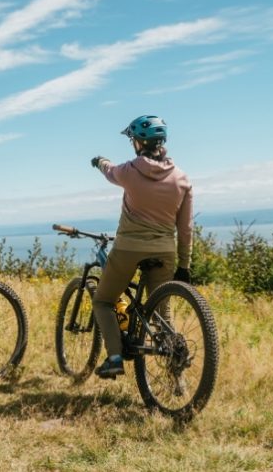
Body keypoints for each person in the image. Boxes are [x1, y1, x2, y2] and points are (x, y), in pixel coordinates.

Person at [90, 115, 193, 378]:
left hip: (128, 248)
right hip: (165, 250)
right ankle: (176, 373)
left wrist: (100, 161)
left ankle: (114, 357)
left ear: (139, 142)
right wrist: (184, 265)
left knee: (103, 301)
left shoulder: (131, 170)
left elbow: (109, 171)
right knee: (162, 312)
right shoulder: (182, 179)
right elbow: (185, 229)